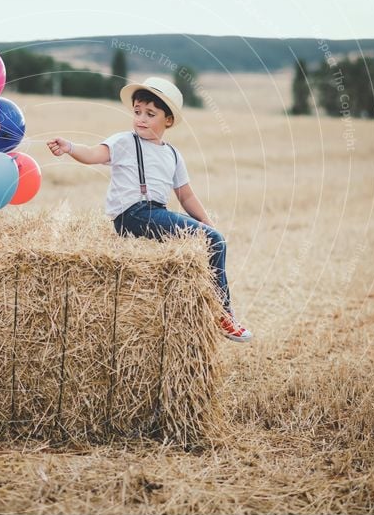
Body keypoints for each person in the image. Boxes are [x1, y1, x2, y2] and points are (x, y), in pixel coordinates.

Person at [46, 77, 252, 342]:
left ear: (168, 120)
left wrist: (207, 223)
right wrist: (70, 148)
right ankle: (224, 315)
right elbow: (93, 154)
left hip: (156, 213)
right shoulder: (124, 142)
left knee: (212, 238)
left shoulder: (173, 155)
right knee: (214, 241)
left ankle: (204, 310)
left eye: (150, 114)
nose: (141, 118)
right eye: (137, 112)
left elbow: (186, 196)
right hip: (133, 216)